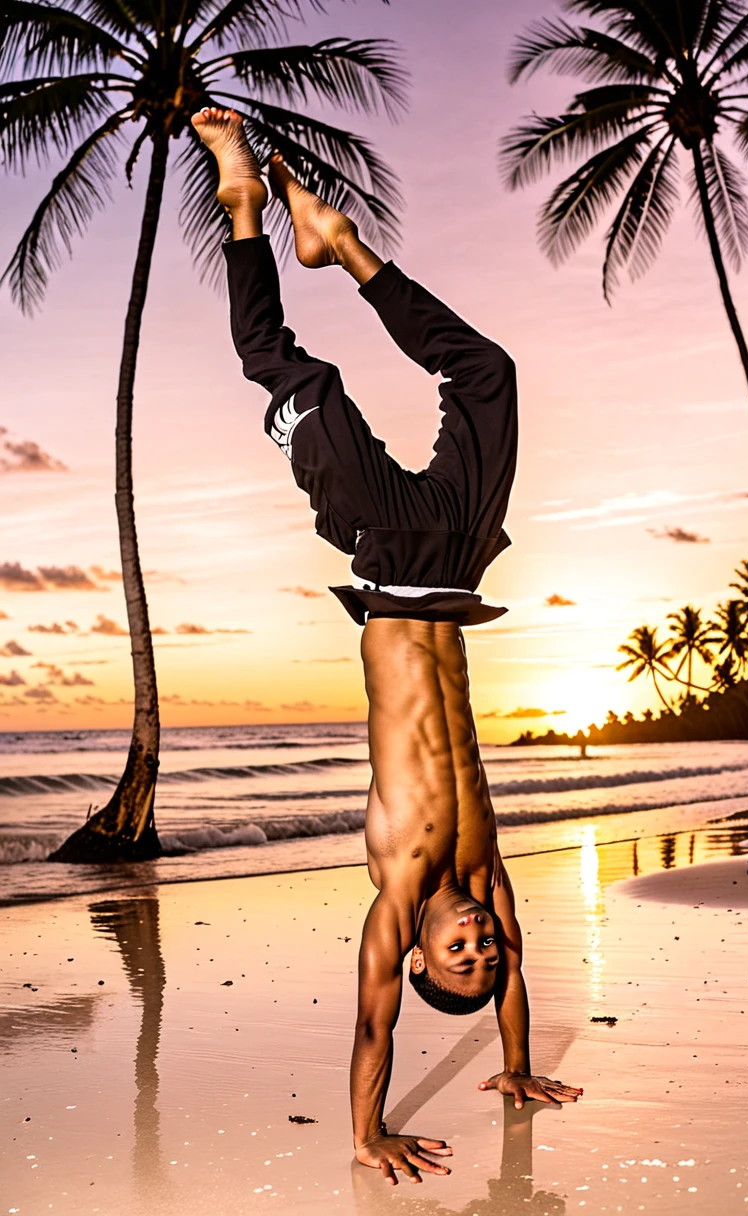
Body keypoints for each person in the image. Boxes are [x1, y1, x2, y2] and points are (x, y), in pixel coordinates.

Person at [192, 108, 583, 1188]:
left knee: (291, 375)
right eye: (483, 952)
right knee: (489, 373)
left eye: (456, 956)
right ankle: (343, 246)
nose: (479, 945)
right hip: (456, 559)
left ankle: (244, 214)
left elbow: (374, 1032)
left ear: (416, 952)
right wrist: (514, 1065)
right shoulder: (488, 881)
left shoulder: (402, 888)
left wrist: (365, 1136)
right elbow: (514, 984)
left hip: (376, 545)